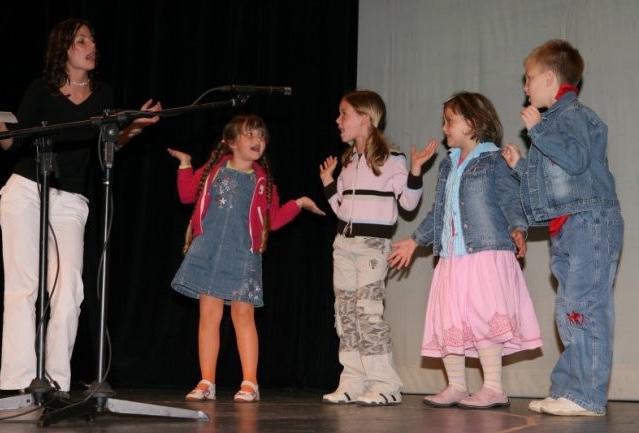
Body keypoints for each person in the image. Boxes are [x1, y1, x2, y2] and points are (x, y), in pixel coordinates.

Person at [0, 18, 161, 394]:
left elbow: (108, 147)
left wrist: (136, 128)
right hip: (27, 191)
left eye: (92, 39)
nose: (91, 45)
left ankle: (56, 382)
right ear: (65, 49)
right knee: (24, 287)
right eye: (82, 40)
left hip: (71, 200)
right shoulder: (41, 89)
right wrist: (1, 131)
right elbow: (14, 145)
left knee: (69, 289)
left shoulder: (103, 95)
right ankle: (21, 382)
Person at [389, 91, 543, 409]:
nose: (444, 128)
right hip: (452, 257)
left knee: (484, 317)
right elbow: (439, 211)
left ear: (472, 122)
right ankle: (456, 385)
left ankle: (493, 387)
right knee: (451, 320)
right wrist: (415, 240)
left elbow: (511, 199)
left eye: (450, 121)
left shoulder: (494, 160)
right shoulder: (448, 166)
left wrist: (518, 228)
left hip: (485, 254)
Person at [502, 39, 623, 417]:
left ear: (551, 78)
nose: (525, 86)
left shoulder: (574, 117)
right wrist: (521, 166)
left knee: (585, 306)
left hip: (590, 222)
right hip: (569, 224)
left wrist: (539, 131)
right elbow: (555, 184)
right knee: (569, 308)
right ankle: (570, 389)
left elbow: (575, 159)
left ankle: (587, 395)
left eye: (530, 78)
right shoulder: (553, 122)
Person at [168, 113, 324, 403]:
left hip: (242, 255)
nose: (257, 140)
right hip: (208, 251)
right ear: (230, 141)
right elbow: (187, 194)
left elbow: (273, 221)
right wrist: (185, 164)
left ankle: (250, 382)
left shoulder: (264, 182)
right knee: (209, 317)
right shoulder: (214, 169)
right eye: (250, 134)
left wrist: (298, 204)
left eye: (261, 136)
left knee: (243, 316)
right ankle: (206, 381)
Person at [318, 89, 437, 406]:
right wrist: (329, 182)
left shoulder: (392, 160)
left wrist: (414, 171)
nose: (338, 120)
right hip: (343, 244)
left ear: (365, 119)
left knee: (368, 313)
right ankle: (353, 380)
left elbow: (409, 203)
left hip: (372, 246)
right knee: (344, 314)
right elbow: (341, 208)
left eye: (344, 113)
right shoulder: (349, 162)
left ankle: (385, 383)